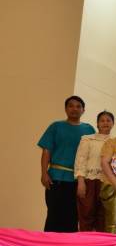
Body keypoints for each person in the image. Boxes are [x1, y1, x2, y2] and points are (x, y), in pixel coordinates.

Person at [37, 95, 95, 232]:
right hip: (56, 178)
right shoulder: (56, 126)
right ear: (65, 109)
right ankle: (49, 243)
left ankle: (68, 244)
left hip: (79, 182)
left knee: (73, 216)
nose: (74, 109)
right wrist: (44, 173)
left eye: (78, 106)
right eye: (71, 106)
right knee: (54, 215)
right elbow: (46, 151)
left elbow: (93, 155)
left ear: (83, 110)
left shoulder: (89, 130)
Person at [74, 111, 114, 231]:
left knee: (103, 217)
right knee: (86, 213)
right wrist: (81, 182)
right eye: (102, 120)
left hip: (107, 184)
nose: (105, 123)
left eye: (108, 120)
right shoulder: (87, 139)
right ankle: (84, 240)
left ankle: (100, 241)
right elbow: (80, 160)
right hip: (89, 181)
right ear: (97, 124)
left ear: (113, 124)